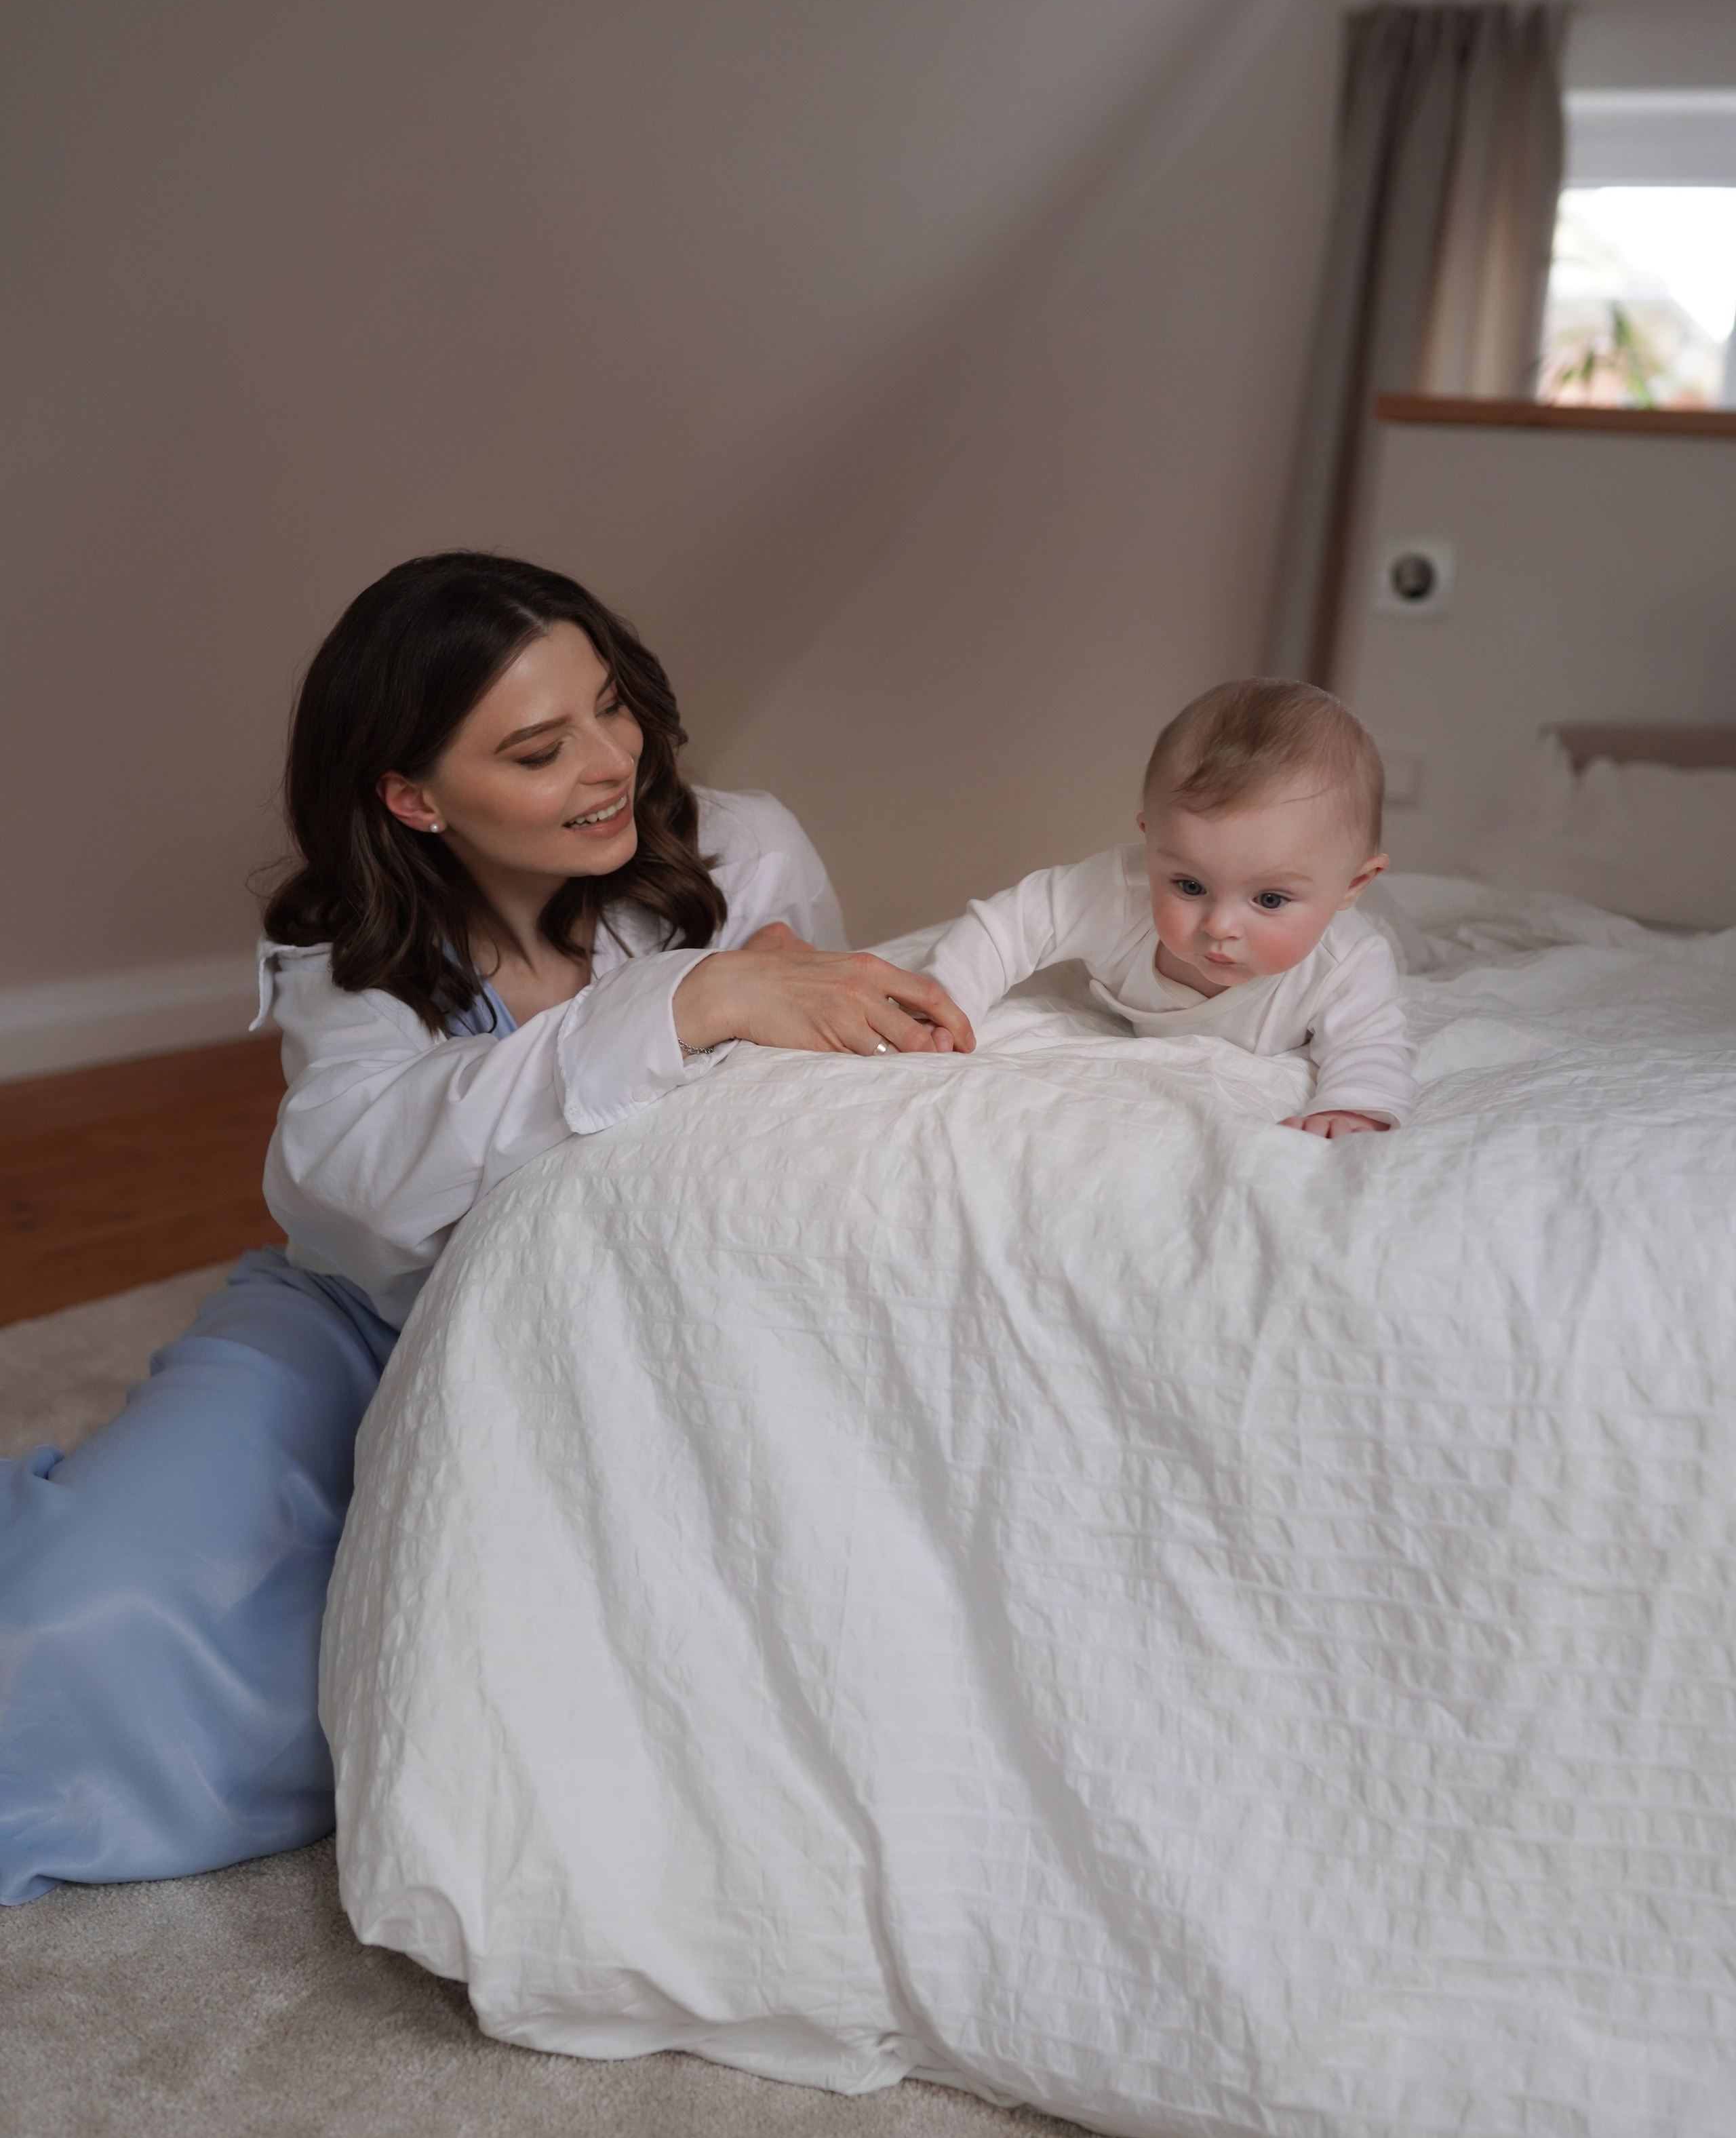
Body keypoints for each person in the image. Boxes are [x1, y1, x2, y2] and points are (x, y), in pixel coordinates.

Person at [0, 552, 971, 1903]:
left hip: (619, 1357)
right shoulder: (355, 947)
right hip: (362, 1320)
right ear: (412, 797)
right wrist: (675, 1009)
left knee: (496, 1697)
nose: (607, 763)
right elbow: (345, 1182)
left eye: (613, 706)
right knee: (62, 1643)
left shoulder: (741, 850)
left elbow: (785, 1143)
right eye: (536, 748)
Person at [924, 678, 1415, 1134]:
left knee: (1403, 941)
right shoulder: (1120, 893)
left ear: (1354, 882)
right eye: (1189, 886)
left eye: (1269, 899)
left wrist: (1352, 1106)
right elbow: (1008, 928)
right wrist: (945, 1001)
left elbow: (1371, 1046)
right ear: (1150, 843)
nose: (1220, 926)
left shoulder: (1347, 963)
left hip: (1382, 928)